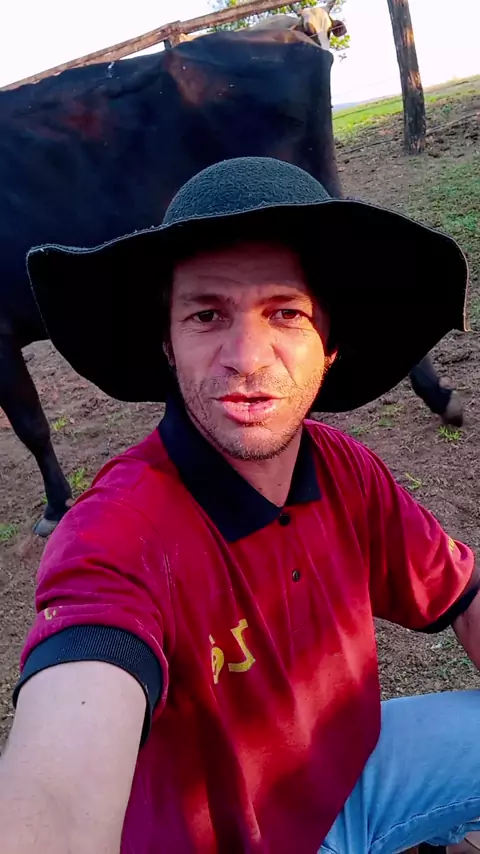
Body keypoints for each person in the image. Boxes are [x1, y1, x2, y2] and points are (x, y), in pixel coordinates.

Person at [0, 156, 478, 854]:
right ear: (167, 345)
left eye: (286, 312)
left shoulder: (343, 468)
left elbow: (463, 592)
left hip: (356, 775)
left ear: (330, 346)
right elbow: (59, 777)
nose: (248, 357)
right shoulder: (115, 534)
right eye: (206, 314)